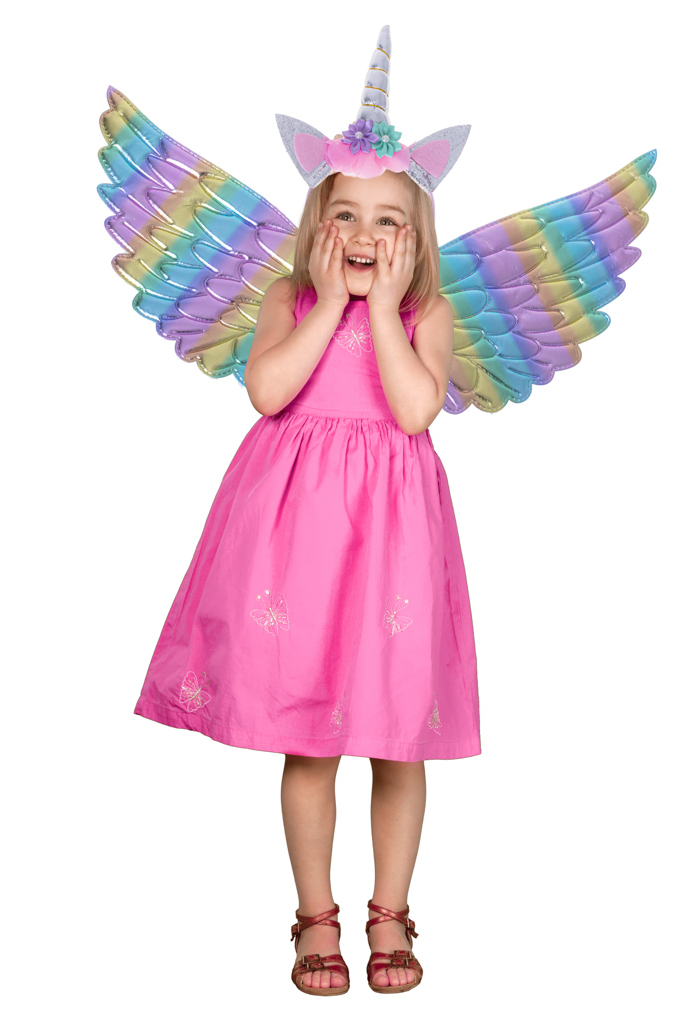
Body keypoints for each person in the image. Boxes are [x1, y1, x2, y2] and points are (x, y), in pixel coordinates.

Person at [129, 29, 480, 997]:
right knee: (310, 732)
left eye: (389, 220)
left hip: (392, 540)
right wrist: (327, 303)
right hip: (299, 538)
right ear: (318, 225)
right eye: (346, 216)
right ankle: (315, 916)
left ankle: (391, 912)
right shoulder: (289, 298)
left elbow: (414, 409)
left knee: (400, 733)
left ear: (416, 237)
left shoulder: (427, 316)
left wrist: (383, 309)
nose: (366, 235)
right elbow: (269, 392)